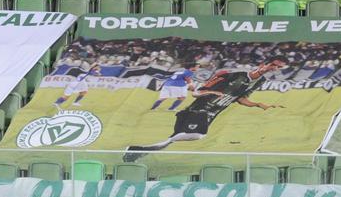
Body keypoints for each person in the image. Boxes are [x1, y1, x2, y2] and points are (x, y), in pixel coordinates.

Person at [123, 59, 287, 161]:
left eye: (279, 68)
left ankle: (135, 151)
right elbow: (197, 92)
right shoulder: (232, 75)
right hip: (199, 110)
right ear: (263, 64)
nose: (274, 68)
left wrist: (259, 105)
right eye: (273, 65)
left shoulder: (259, 82)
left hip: (213, 113)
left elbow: (241, 99)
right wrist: (213, 92)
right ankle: (136, 150)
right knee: (198, 135)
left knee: (176, 139)